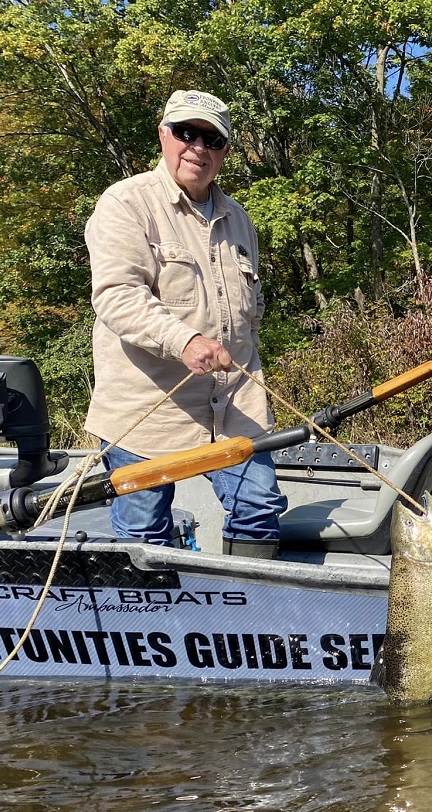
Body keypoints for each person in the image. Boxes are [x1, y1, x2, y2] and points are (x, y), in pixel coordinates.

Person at [84, 89, 287, 558]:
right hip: (145, 411)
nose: (198, 147)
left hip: (235, 406)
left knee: (258, 508)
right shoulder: (126, 202)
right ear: (164, 135)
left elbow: (251, 314)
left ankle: (249, 602)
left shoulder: (240, 220)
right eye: (186, 133)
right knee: (144, 533)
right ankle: (160, 605)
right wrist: (186, 341)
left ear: (225, 152)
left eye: (212, 139)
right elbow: (116, 295)